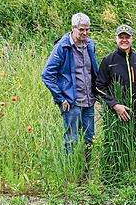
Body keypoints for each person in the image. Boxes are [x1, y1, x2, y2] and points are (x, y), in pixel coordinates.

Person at [41, 12, 99, 161]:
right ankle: (69, 173)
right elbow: (47, 74)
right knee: (71, 140)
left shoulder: (90, 45)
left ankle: (86, 172)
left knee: (89, 139)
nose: (85, 33)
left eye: (87, 29)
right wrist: (60, 98)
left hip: (88, 100)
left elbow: (92, 70)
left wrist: (97, 92)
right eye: (81, 29)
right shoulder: (63, 47)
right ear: (73, 28)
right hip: (71, 102)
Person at [96, 24, 136, 129]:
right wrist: (115, 105)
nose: (124, 40)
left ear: (132, 38)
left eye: (127, 37)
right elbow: (99, 86)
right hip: (115, 115)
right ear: (116, 38)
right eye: (121, 37)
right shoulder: (108, 61)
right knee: (117, 144)